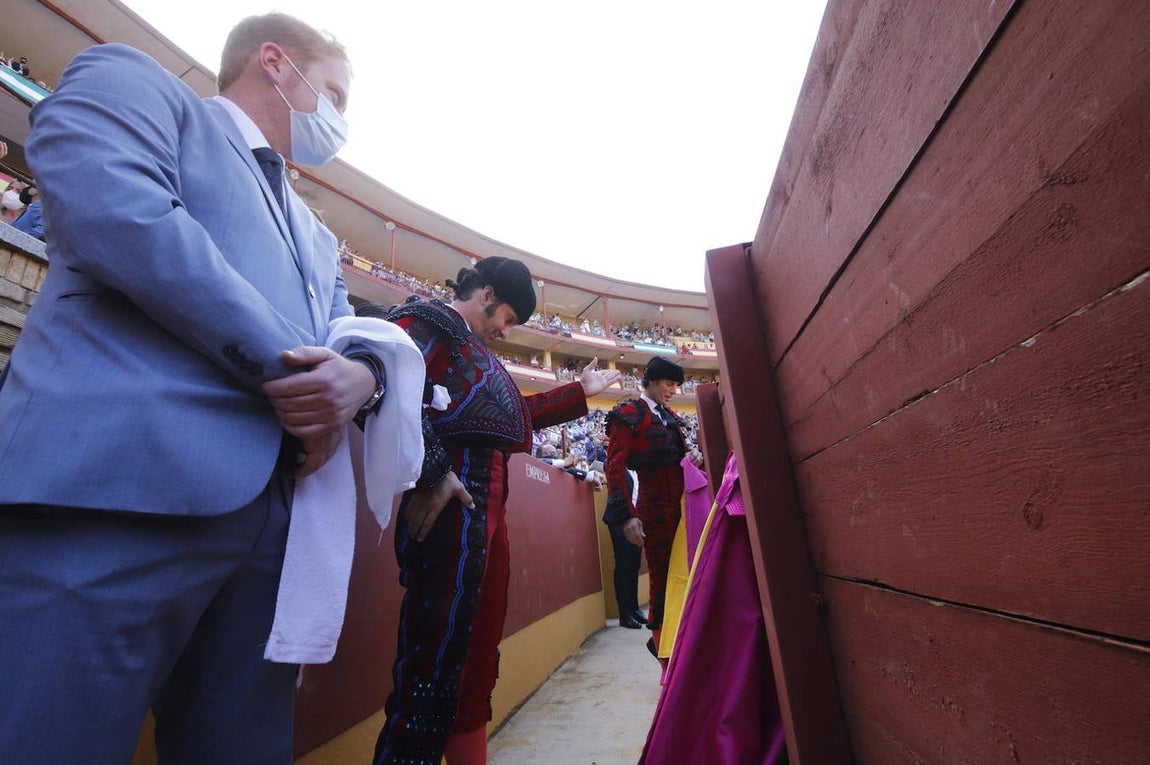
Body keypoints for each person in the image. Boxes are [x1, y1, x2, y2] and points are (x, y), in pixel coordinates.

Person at [0, 13, 386, 764]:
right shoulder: (136, 82)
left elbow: (349, 332)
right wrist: (293, 376)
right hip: (111, 490)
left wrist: (361, 377)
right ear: (276, 63)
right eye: (336, 94)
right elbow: (115, 207)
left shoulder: (316, 233)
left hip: (273, 527)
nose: (340, 119)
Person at [361, 256, 621, 765]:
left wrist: (578, 394)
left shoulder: (475, 353)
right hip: (454, 506)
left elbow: (512, 421)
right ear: (486, 296)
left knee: (474, 660)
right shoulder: (429, 322)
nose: (505, 331)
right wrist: (433, 471)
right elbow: (383, 386)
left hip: (487, 512)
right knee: (431, 665)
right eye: (506, 318)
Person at [605, 356, 688, 655]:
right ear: (651, 381)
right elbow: (614, 466)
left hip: (682, 508)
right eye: (669, 383)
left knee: (683, 572)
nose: (674, 391)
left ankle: (678, 640)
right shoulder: (630, 413)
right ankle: (661, 643)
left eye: (676, 385)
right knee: (662, 577)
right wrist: (627, 515)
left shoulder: (670, 416)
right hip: (654, 509)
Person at [603, 465, 646, 628]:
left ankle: (634, 609)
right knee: (623, 565)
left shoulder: (637, 469)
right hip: (619, 520)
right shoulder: (616, 464)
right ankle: (625, 614)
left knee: (634, 564)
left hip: (637, 520)